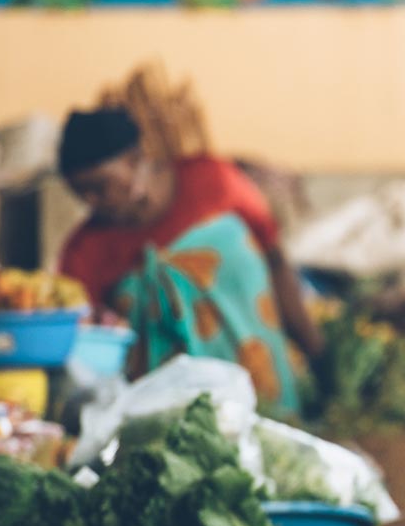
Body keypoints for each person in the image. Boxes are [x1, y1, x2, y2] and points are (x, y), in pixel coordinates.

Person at [55, 107, 323, 414]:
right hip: (170, 415)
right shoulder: (85, 251)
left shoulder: (213, 182)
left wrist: (317, 354)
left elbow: (275, 263)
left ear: (134, 160)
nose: (90, 202)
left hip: (264, 388)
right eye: (80, 193)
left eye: (99, 187)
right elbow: (86, 348)